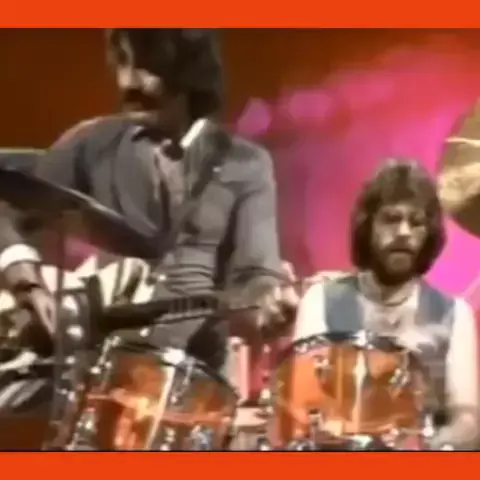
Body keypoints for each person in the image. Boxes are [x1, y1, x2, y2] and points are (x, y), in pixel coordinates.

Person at [0, 29, 295, 444]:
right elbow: (9, 203)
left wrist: (269, 306)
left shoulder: (245, 163)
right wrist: (24, 280)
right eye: (123, 64)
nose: (127, 83)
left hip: (192, 387)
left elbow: (256, 276)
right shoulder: (92, 143)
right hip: (95, 379)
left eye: (147, 67)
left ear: (189, 70)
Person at [294, 158, 479, 450]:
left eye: (416, 223)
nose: (404, 232)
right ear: (368, 226)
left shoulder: (456, 314)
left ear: (428, 234)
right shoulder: (319, 301)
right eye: (391, 219)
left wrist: (426, 449)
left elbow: (468, 421)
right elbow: (301, 405)